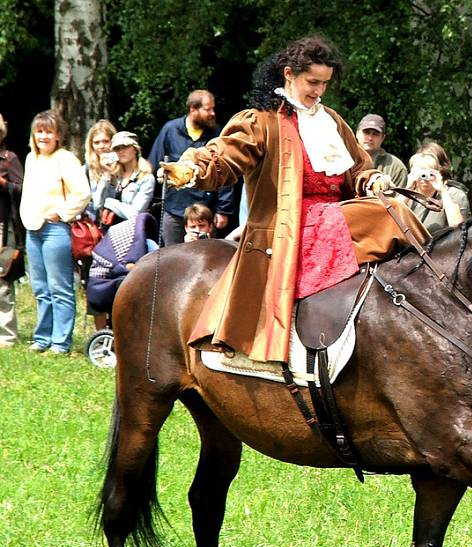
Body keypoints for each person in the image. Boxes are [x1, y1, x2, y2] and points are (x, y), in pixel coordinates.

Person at [160, 36, 430, 363]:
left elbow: (358, 166)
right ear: (289, 74)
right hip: (287, 225)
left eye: (325, 84)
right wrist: (192, 168)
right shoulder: (260, 120)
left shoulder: (331, 120)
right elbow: (226, 155)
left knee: (391, 210)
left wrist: (371, 179)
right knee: (391, 214)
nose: (318, 90)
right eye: (312, 82)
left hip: (336, 213)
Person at [19, 110, 90, 354]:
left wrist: (61, 212)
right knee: (40, 287)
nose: (43, 136)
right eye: (39, 131)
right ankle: (42, 338)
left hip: (54, 230)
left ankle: (61, 342)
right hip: (32, 229)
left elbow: (82, 193)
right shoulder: (31, 159)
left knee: (59, 287)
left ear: (58, 135)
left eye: (48, 131)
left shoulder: (66, 159)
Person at [147, 89, 234, 246]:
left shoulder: (217, 135)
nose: (213, 113)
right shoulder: (170, 130)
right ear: (193, 109)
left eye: (213, 109)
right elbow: (153, 165)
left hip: (204, 214)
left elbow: (225, 172)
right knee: (172, 258)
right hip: (174, 211)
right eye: (208, 109)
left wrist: (223, 210)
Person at [0, 113, 24, 347]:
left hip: (3, 226)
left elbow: (22, 189)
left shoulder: (9, 159)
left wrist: (4, 184)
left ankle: (6, 335)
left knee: (2, 280)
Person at [403, 152, 469, 235]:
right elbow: (390, 217)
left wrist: (442, 190)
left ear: (438, 173)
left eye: (429, 173)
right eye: (419, 173)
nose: (424, 178)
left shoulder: (452, 194)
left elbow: (457, 228)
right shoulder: (406, 197)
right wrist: (408, 188)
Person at [99, 131, 156, 222]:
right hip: (110, 231)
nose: (121, 151)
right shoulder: (114, 176)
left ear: (135, 149)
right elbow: (98, 204)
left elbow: (135, 213)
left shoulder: (146, 178)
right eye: (117, 149)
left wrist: (110, 203)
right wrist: (106, 175)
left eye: (125, 147)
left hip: (133, 231)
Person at [355, 114, 407, 188]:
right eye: (366, 132)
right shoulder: (344, 161)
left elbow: (399, 198)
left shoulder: (396, 167)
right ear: (357, 133)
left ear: (383, 138)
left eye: (375, 134)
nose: (370, 138)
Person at [83, 119, 117, 223]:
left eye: (106, 141)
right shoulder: (86, 169)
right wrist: (106, 176)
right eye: (96, 142)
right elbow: (97, 203)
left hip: (118, 222)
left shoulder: (123, 167)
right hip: (93, 225)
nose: (101, 146)